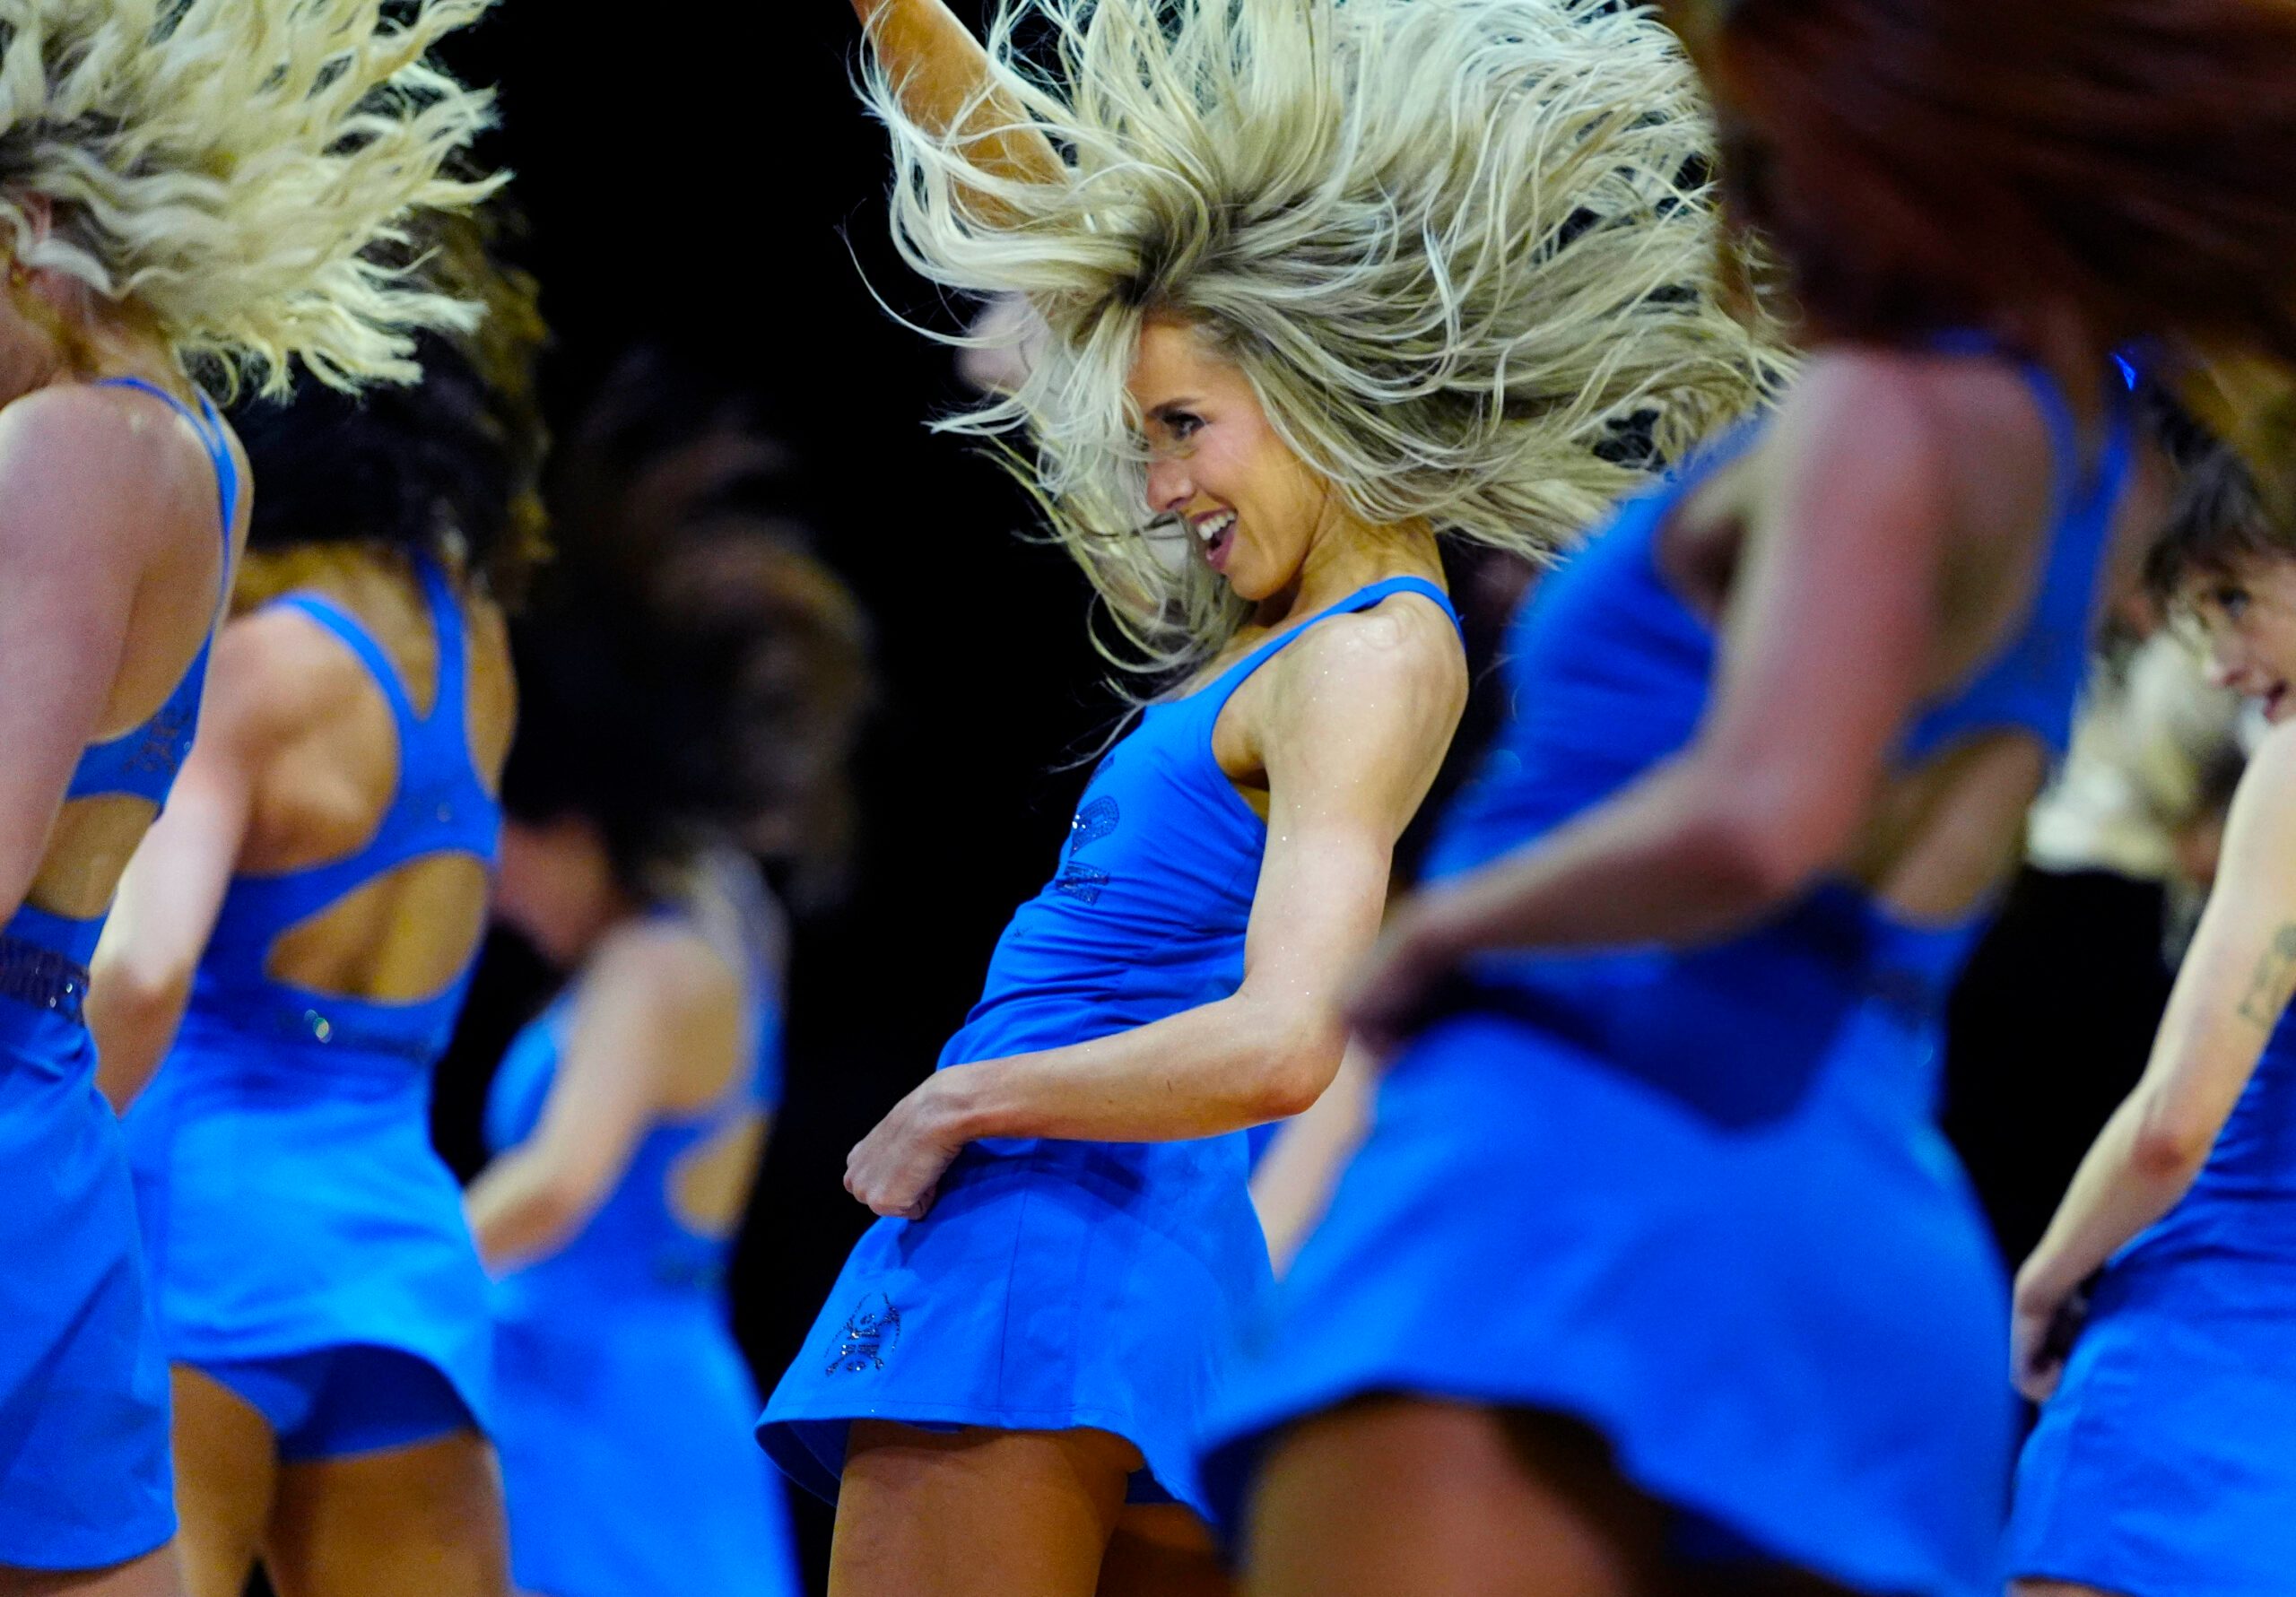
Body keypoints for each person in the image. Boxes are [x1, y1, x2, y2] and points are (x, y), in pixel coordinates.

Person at [1187, 1, 2296, 1592]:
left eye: (1772, 151)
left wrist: (1431, 941)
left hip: (1568, 1174)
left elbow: (1768, 816)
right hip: (1863, 1247)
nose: (1750, 210)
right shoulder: (2088, 465)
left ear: (1899, 140)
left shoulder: (1883, 411)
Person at [756, 1, 1778, 1591]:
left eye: (1184, 432)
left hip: (1037, 1254)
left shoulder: (1362, 650)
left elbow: (1288, 1039)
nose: (1161, 486)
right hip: (1146, 1276)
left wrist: (964, 1098)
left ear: (1307, 387)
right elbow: (1048, 242)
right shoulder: (1297, 623)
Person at [0, 4, 500, 1589]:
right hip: (327, 1209)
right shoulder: (219, 462)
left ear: (29, 226)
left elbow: (115, 941)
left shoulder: (73, 456)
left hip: (169, 1184)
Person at [86, 221, 542, 1597]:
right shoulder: (477, 641)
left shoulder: (263, 664)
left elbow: (144, 971)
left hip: (202, 1232)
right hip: (400, 1248)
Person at [468, 456, 870, 1597]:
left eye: (505, 842)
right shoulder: (714, 912)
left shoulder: (655, 965)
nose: (494, 889)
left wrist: (381, 1263)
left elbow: (554, 1182)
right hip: (593, 1384)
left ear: (575, 815)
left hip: (603, 1411)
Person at [2005, 433, 2296, 1597]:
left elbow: (2176, 1123)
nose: (2219, 663)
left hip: (2204, 1370)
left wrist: (2042, 1282)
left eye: (2235, 599)